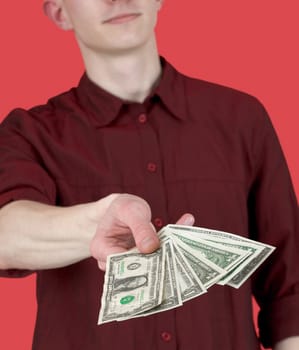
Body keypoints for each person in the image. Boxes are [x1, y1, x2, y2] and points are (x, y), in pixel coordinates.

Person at [0, 0, 298, 349]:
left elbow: (290, 288)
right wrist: (97, 221)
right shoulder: (29, 133)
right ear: (60, 13)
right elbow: (6, 236)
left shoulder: (241, 118)